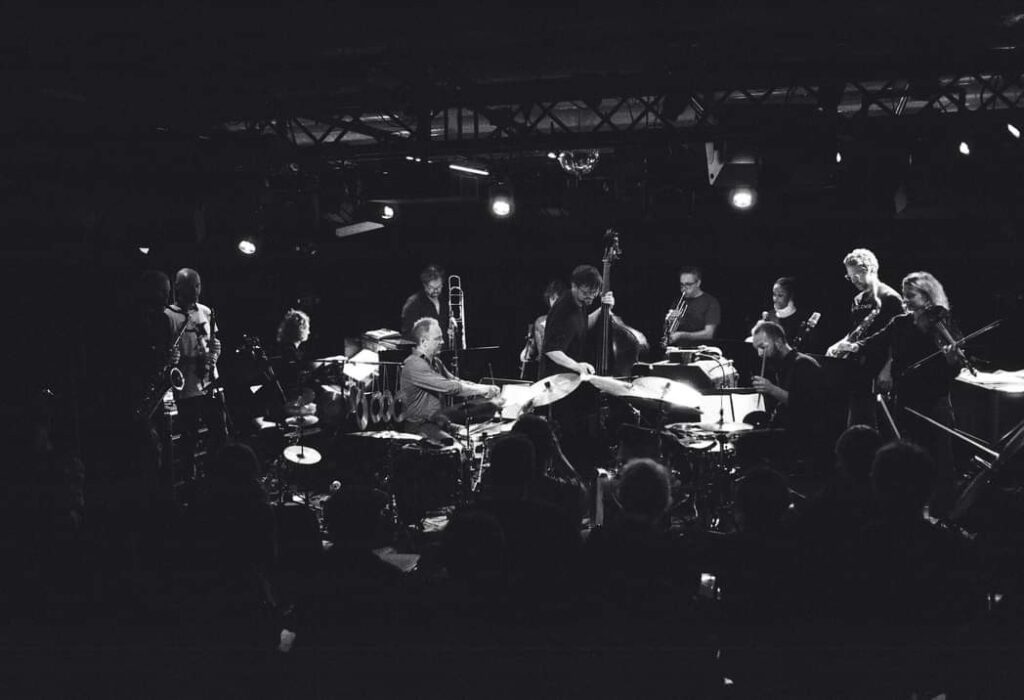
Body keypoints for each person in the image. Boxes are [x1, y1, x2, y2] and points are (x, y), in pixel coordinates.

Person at [832, 272, 964, 517]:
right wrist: (854, 346)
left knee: (941, 459)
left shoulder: (942, 321)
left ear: (927, 296)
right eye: (904, 295)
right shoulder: (900, 323)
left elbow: (953, 370)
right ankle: (911, 511)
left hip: (935, 401)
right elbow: (876, 341)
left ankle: (945, 515)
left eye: (910, 295)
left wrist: (952, 360)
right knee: (909, 458)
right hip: (906, 399)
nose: (905, 300)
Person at [539, 264, 614, 478]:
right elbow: (551, 349)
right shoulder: (563, 309)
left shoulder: (580, 303)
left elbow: (581, 326)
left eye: (594, 294)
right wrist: (577, 365)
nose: (590, 298)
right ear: (573, 286)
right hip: (558, 381)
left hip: (570, 381)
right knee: (568, 436)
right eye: (585, 293)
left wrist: (605, 308)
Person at [825, 248, 904, 426]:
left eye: (857, 275)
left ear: (870, 269)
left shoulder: (890, 297)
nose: (854, 280)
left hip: (879, 369)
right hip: (858, 368)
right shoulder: (857, 300)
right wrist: (839, 345)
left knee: (879, 424)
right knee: (857, 421)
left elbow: (899, 337)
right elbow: (855, 331)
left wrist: (888, 369)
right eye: (850, 277)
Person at [167, 268, 227, 485]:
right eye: (191, 286)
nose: (196, 290)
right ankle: (190, 482)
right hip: (188, 387)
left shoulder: (206, 311)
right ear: (178, 287)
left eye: (198, 285)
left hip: (211, 382)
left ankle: (213, 475)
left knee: (220, 432)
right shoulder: (169, 316)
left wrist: (215, 353)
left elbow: (214, 343)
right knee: (189, 438)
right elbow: (168, 355)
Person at [744, 321, 829, 468]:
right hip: (787, 429)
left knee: (746, 443)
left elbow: (805, 406)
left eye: (762, 347)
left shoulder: (804, 364)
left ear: (778, 342)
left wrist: (772, 389)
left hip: (802, 436)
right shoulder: (781, 366)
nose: (760, 354)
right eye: (757, 349)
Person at [398, 317, 499, 440]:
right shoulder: (414, 364)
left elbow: (456, 381)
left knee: (476, 433)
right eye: (438, 338)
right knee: (453, 445)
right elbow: (450, 388)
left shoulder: (436, 362)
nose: (442, 342)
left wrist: (484, 389)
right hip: (419, 428)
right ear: (424, 342)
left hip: (437, 422)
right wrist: (483, 389)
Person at [518, 279, 567, 378]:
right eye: (553, 298)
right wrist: (527, 351)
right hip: (544, 372)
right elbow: (533, 347)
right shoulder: (540, 321)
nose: (555, 302)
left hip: (564, 371)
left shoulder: (571, 320)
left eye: (559, 299)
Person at [664, 266, 720, 347]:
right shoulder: (678, 302)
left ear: (698, 283)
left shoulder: (710, 302)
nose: (684, 288)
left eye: (688, 284)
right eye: (682, 284)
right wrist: (668, 322)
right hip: (678, 349)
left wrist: (681, 335)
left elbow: (709, 334)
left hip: (702, 349)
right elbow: (668, 333)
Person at [400, 264, 449, 340]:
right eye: (431, 287)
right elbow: (407, 335)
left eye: (439, 287)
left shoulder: (445, 300)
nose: (436, 290)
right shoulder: (413, 303)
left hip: (444, 346)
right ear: (425, 285)